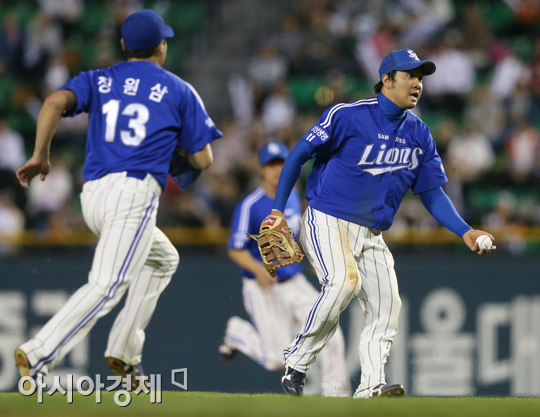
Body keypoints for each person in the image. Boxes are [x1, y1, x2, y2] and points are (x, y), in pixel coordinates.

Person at [262, 49, 496, 398]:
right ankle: (297, 361)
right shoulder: (347, 115)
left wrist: (465, 229)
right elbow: (297, 156)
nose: (417, 83)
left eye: (421, 77)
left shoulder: (420, 134)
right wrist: (279, 210)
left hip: (372, 233)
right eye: (409, 75)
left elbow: (432, 193)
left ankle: (371, 385)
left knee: (387, 306)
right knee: (343, 284)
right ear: (386, 80)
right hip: (328, 219)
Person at [14, 9, 222, 387]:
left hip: (92, 196)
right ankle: (39, 352)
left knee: (163, 259)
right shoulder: (178, 89)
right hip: (133, 194)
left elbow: (52, 104)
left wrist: (40, 154)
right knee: (108, 284)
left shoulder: (99, 78)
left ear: (124, 45)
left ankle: (125, 354)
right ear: (161, 46)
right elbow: (204, 158)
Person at [220, 141, 351, 397]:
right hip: (263, 288)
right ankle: (238, 333)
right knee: (276, 361)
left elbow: (299, 235)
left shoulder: (291, 195)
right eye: (271, 164)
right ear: (261, 169)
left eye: (281, 162)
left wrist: (314, 258)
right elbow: (235, 249)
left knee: (329, 332)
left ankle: (337, 397)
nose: (277, 169)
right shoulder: (250, 204)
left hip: (294, 281)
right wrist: (257, 268)